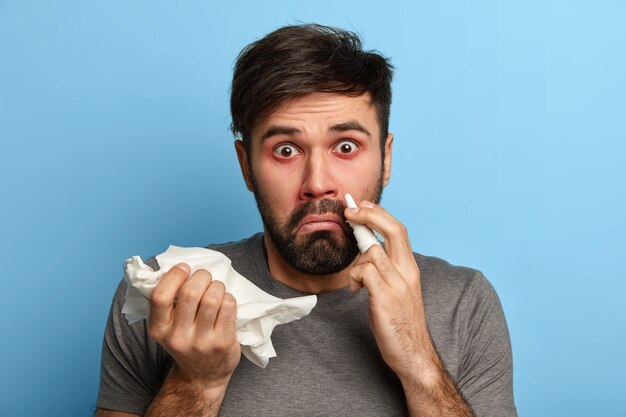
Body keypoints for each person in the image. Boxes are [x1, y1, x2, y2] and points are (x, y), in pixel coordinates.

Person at [96, 24, 517, 417]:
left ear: (386, 158)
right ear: (247, 168)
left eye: (346, 146)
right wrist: (196, 382)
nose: (318, 184)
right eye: (285, 150)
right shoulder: (167, 293)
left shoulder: (464, 301)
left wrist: (419, 359)